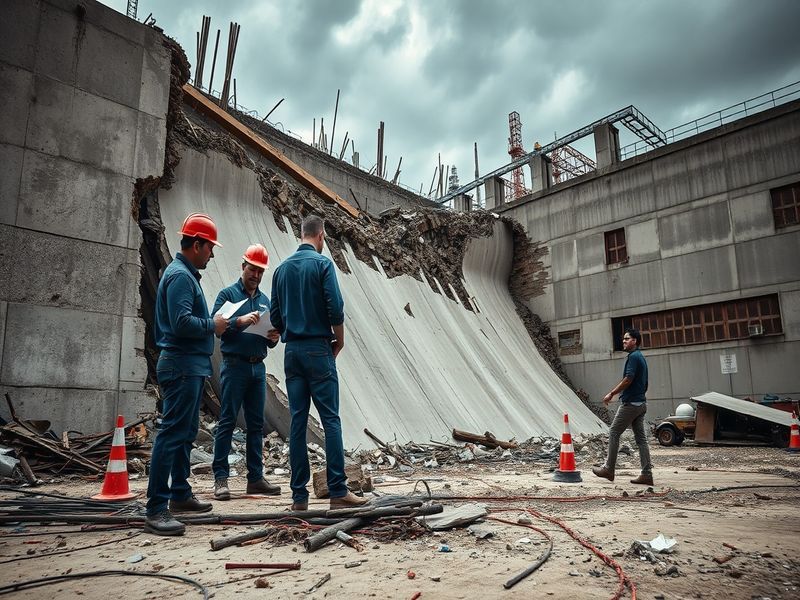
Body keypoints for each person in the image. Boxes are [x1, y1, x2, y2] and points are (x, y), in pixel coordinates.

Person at [270, 215, 367, 511]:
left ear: (301, 234)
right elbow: (335, 308)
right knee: (330, 420)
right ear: (321, 236)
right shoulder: (323, 265)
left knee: (297, 422)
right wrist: (339, 340)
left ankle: (299, 497)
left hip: (292, 353)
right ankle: (338, 491)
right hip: (318, 349)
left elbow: (275, 318)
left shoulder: (280, 270)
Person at [146, 213, 227, 536]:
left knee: (184, 432)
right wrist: (213, 325)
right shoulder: (181, 277)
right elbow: (181, 323)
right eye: (210, 248)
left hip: (188, 365)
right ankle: (156, 507)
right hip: (180, 364)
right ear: (197, 244)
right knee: (171, 434)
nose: (212, 254)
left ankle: (179, 494)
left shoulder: (183, 274)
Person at [211, 244, 282, 500]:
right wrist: (237, 322)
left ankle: (255, 478)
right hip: (234, 365)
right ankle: (220, 478)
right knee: (228, 421)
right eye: (252, 269)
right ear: (243, 267)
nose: (256, 276)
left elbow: (270, 340)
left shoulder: (266, 301)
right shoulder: (227, 295)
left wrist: (274, 336)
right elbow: (215, 327)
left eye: (260, 272)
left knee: (255, 425)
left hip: (257, 367)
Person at [593, 328, 654, 485]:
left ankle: (609, 469)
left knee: (613, 432)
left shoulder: (633, 357)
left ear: (634, 341)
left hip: (631, 404)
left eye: (627, 339)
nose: (624, 341)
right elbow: (645, 384)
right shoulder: (640, 357)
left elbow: (628, 379)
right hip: (640, 404)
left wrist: (611, 393)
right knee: (641, 440)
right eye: (624, 339)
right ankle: (647, 474)